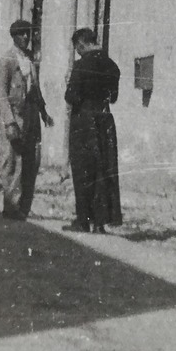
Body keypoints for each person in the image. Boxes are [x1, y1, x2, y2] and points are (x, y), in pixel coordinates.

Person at [63, 28, 123, 233]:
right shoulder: (112, 66)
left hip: (84, 121)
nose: (78, 52)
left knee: (82, 170)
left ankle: (82, 220)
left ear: (81, 44)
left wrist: (69, 86)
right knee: (102, 169)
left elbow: (71, 96)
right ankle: (100, 223)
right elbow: (113, 97)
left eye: (77, 48)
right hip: (105, 120)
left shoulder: (81, 66)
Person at [0, 19, 53, 221]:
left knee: (31, 162)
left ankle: (23, 208)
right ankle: (11, 206)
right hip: (16, 115)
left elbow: (34, 89)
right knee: (12, 161)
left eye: (28, 34)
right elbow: (0, 93)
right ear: (14, 36)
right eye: (22, 34)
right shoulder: (7, 60)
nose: (26, 38)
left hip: (31, 115)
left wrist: (44, 113)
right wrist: (9, 122)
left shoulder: (29, 58)